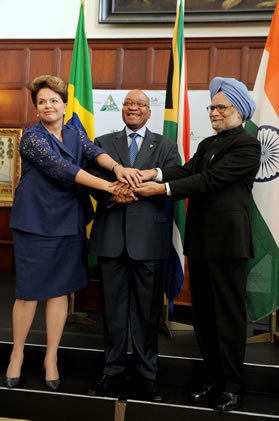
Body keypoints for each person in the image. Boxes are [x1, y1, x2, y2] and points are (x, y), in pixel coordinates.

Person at [6, 75, 141, 392]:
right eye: (41, 102)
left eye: (54, 100)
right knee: (28, 293)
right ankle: (17, 353)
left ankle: (51, 357)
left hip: (69, 222)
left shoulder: (73, 130)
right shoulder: (32, 138)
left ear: (64, 104)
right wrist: (111, 186)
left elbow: (93, 152)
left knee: (59, 292)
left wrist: (118, 169)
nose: (48, 106)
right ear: (36, 109)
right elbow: (64, 170)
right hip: (35, 225)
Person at [134, 77, 261, 411]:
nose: (214, 112)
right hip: (202, 242)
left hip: (228, 245)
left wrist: (161, 190)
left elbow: (209, 180)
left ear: (239, 111)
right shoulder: (209, 144)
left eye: (221, 107)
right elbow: (187, 170)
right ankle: (212, 378)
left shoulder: (248, 144)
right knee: (204, 318)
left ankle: (232, 384)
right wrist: (154, 174)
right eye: (212, 107)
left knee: (228, 318)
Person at [87, 89, 178, 401]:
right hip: (111, 238)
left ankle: (146, 375)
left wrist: (133, 191)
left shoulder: (165, 145)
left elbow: (173, 180)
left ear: (149, 111)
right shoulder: (102, 143)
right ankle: (111, 372)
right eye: (128, 103)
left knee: (147, 314)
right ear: (121, 109)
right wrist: (113, 194)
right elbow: (91, 179)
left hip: (149, 243)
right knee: (112, 312)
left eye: (140, 104)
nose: (133, 108)